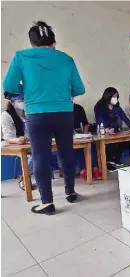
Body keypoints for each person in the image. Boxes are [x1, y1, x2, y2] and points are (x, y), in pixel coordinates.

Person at [3, 21, 85, 215]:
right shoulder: (66, 59)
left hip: (37, 114)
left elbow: (9, 86)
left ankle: (47, 203)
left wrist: (28, 90)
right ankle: (70, 192)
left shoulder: (22, 57)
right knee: (66, 153)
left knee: (41, 157)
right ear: (53, 41)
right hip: (65, 113)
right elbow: (79, 88)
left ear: (32, 42)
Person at [94, 87, 130, 171]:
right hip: (103, 131)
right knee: (108, 143)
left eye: (117, 96)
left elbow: (123, 116)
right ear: (108, 96)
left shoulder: (117, 107)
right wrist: (106, 129)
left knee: (127, 139)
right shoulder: (99, 106)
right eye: (114, 96)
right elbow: (99, 119)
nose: (115, 99)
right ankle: (108, 161)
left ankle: (115, 158)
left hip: (116, 130)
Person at [1, 93, 36, 191]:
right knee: (35, 153)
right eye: (19, 100)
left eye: (23, 98)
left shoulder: (27, 112)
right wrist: (18, 139)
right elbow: (7, 137)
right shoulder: (6, 114)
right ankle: (24, 178)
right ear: (11, 102)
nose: (22, 101)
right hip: (11, 144)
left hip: (27, 143)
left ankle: (24, 177)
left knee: (40, 150)